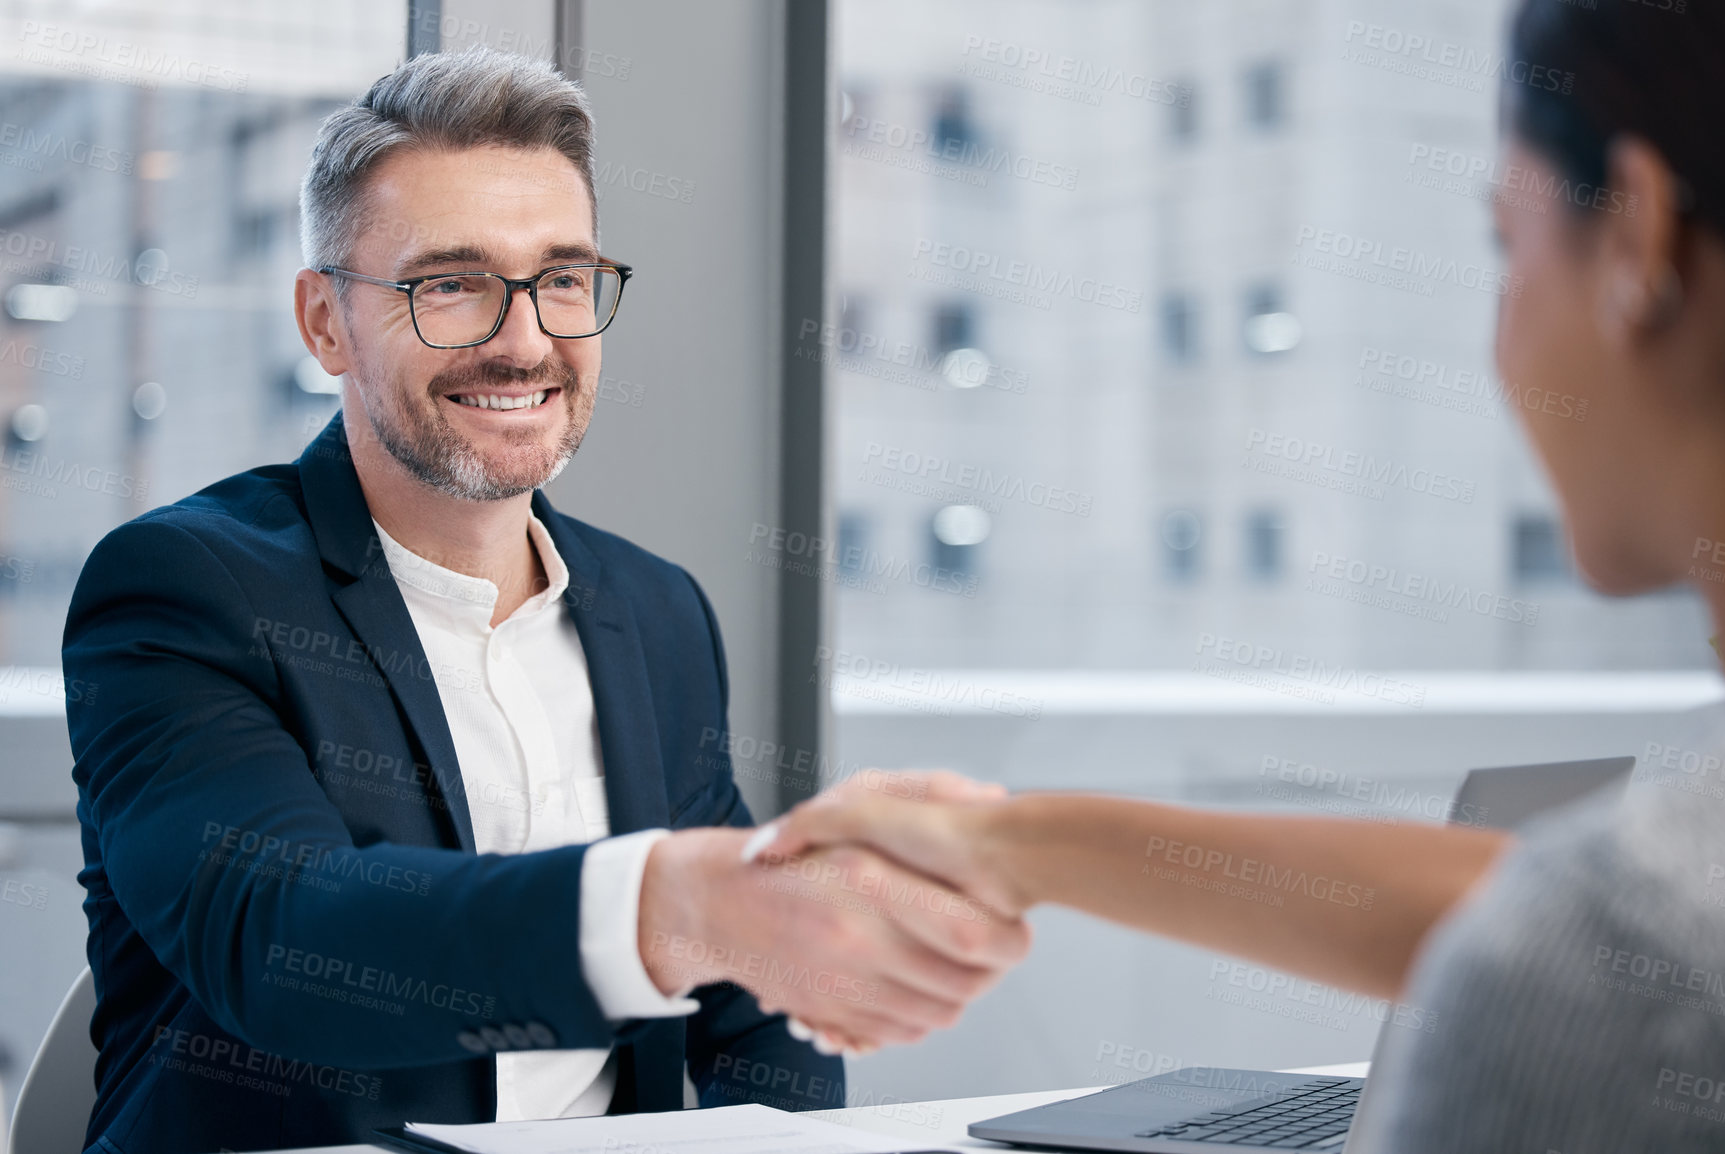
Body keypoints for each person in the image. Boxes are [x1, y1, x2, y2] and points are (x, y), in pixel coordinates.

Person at [755, 2, 1725, 1148]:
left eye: (1506, 244)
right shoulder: (1637, 919)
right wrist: (1016, 844)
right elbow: (1546, 907)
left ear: (1638, 241)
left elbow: (1582, 946)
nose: (1502, 334)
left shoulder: (1601, 970)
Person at [62, 46, 1028, 1154]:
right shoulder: (187, 588)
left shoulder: (657, 610)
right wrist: (665, 903)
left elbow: (754, 1004)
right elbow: (286, 937)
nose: (524, 340)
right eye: (451, 284)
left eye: (562, 279)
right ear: (325, 321)